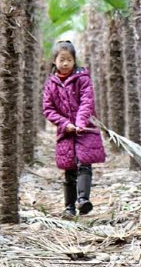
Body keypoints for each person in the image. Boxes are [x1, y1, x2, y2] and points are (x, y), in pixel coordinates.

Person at [43, 40, 106, 218]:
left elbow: (87, 101)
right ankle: (69, 207)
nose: (65, 64)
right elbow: (48, 109)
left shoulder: (83, 79)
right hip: (66, 132)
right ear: (54, 61)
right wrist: (65, 124)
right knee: (69, 170)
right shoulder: (51, 84)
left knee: (85, 164)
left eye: (69, 60)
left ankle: (83, 200)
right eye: (61, 59)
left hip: (85, 129)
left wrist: (80, 123)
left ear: (74, 60)